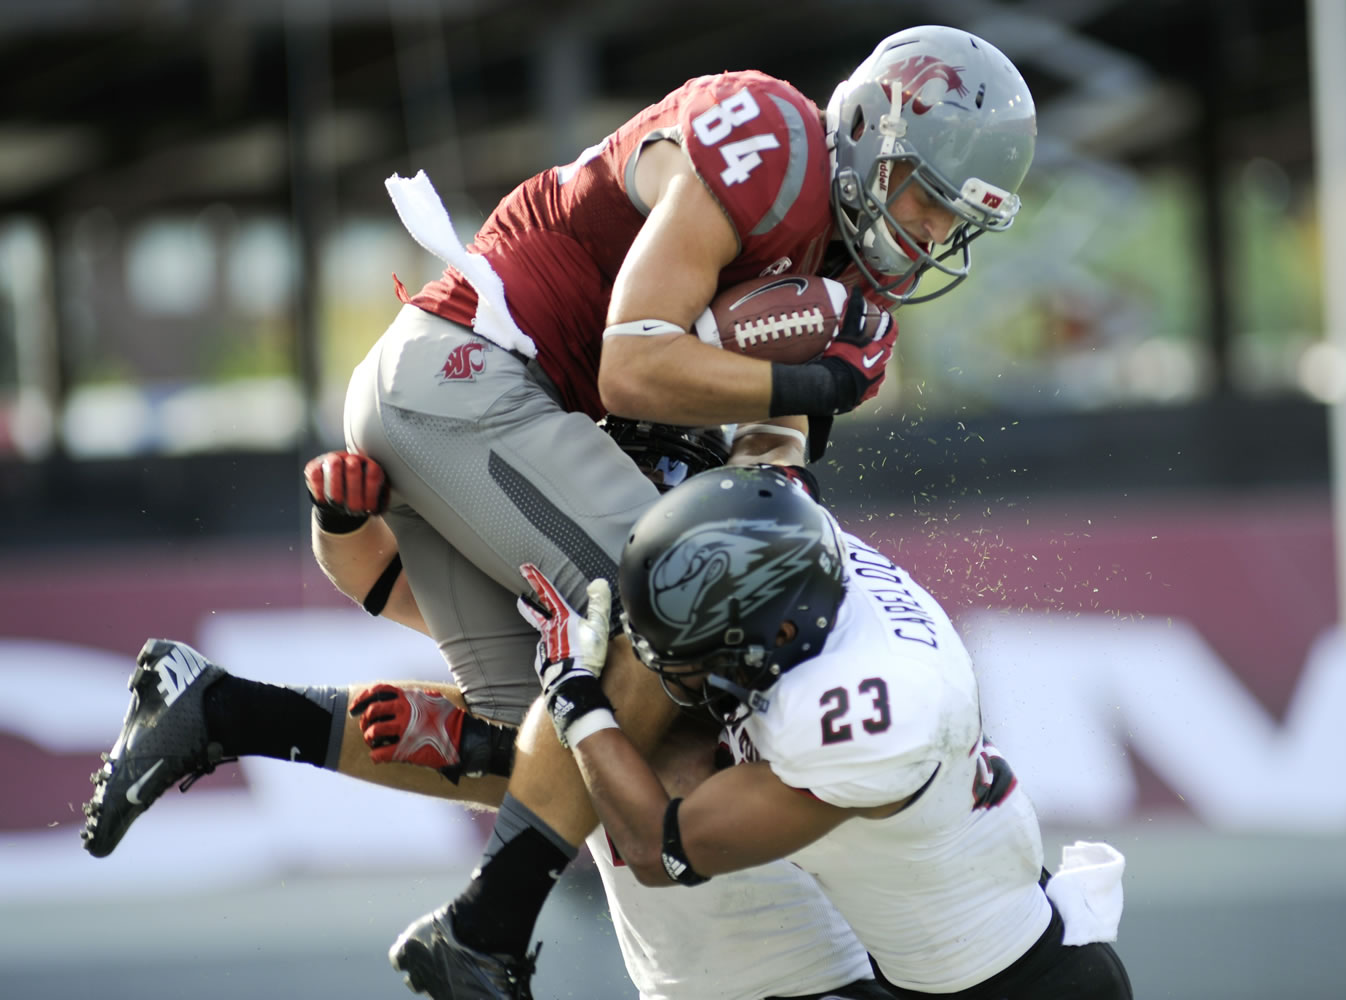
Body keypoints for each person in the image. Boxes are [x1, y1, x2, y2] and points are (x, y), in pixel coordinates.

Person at [86, 22, 1038, 998]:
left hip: (477, 406)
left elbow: (770, 432)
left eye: (949, 222)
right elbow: (633, 362)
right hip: (469, 380)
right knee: (689, 626)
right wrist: (807, 379)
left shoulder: (835, 267)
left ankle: (219, 709)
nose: (925, 237)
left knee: (545, 751)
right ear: (874, 131)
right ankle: (483, 931)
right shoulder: (775, 145)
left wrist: (788, 449)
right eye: (923, 198)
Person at [85, 425, 897, 1000]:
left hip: (801, 970)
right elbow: (383, 585)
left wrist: (479, 740)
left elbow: (657, 786)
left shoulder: (774, 641)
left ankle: (229, 712)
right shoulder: (616, 600)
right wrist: (339, 515)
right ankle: (227, 711)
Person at [518, 465, 1133, 999]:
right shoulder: (804, 559)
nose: (682, 674)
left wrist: (575, 697)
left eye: (702, 654)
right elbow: (771, 474)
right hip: (963, 957)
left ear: (780, 636)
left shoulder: (863, 715)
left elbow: (658, 850)